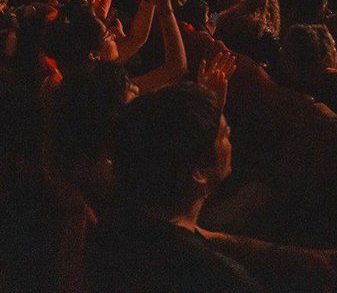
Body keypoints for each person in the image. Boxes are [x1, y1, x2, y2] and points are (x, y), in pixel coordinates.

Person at [86, 83, 262, 293]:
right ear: (199, 172)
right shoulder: (221, 279)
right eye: (224, 135)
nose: (230, 138)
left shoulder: (111, 221)